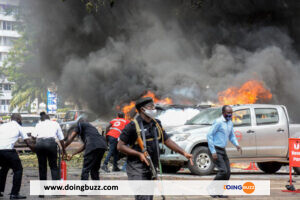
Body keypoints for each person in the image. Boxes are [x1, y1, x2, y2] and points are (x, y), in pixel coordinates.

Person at [117, 97, 193, 200]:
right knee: (143, 196)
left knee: (148, 196)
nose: (154, 109)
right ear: (142, 109)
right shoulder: (132, 126)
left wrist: (184, 153)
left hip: (152, 166)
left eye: (154, 106)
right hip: (137, 167)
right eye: (151, 107)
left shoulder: (156, 123)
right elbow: (120, 146)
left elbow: (167, 140)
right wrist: (139, 154)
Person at [207, 105, 242, 198]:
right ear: (223, 113)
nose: (230, 115)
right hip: (216, 149)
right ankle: (211, 187)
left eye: (231, 113)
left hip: (223, 150)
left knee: (228, 173)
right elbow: (209, 135)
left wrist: (237, 144)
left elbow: (232, 136)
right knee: (223, 171)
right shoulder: (218, 122)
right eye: (228, 113)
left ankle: (220, 192)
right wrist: (213, 151)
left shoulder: (230, 123)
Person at [0, 114, 35, 199]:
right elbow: (28, 142)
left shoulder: (2, 126)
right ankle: (14, 194)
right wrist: (36, 151)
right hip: (8, 151)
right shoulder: (19, 127)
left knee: (4, 169)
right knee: (18, 170)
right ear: (19, 120)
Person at [31, 112, 66, 182]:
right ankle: (55, 190)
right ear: (49, 118)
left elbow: (33, 136)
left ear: (41, 119)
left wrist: (37, 140)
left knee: (42, 167)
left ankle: (42, 191)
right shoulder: (55, 124)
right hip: (51, 144)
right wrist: (64, 150)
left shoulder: (38, 124)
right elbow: (61, 139)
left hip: (40, 144)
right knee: (53, 167)